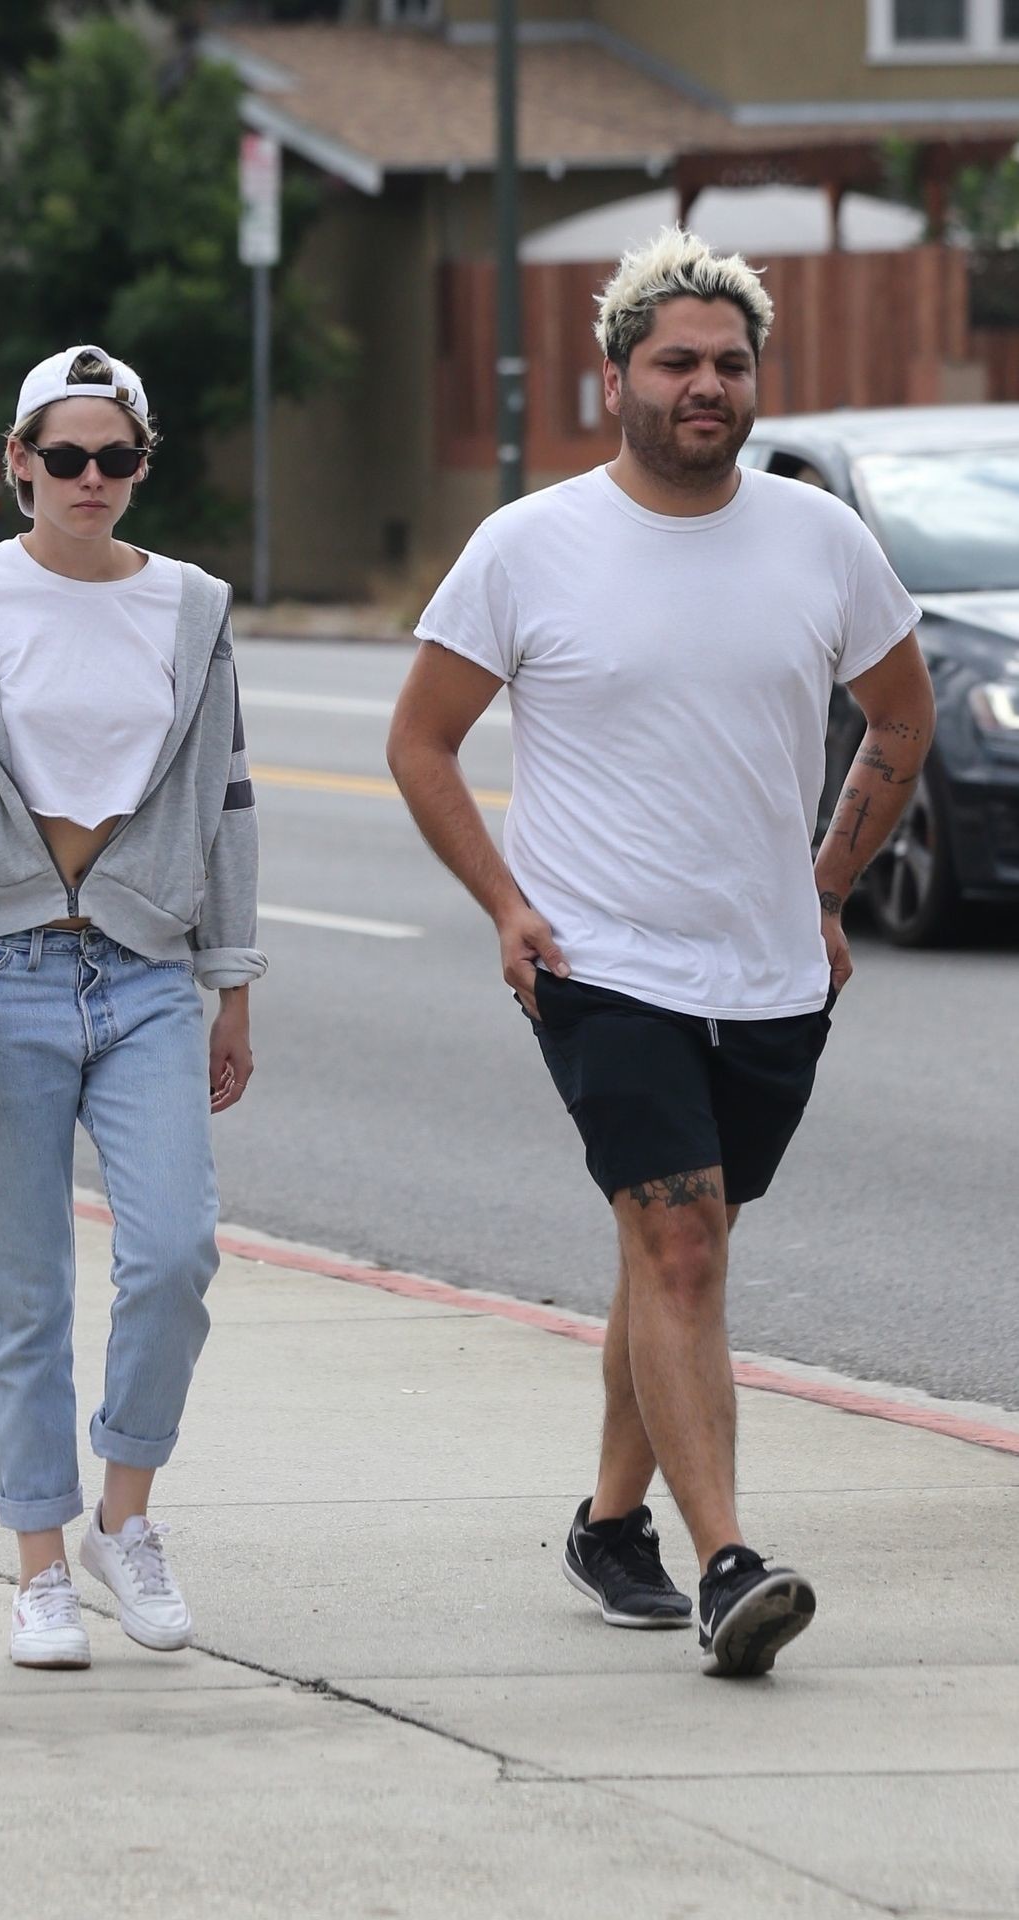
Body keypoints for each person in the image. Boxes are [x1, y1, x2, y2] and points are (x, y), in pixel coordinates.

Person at [387, 230, 934, 1678]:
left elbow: (901, 717)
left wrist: (828, 889)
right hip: (600, 961)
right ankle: (729, 1564)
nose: (707, 385)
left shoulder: (821, 540)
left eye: (731, 365)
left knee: (677, 1248)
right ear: (615, 373)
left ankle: (610, 1522)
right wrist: (507, 905)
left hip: (769, 972)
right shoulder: (529, 545)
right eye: (678, 361)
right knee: (681, 1245)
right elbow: (422, 741)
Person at [0, 344, 265, 1669]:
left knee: (175, 1255)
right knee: (25, 1292)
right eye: (66, 457)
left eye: (117, 458)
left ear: (142, 466)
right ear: (18, 465)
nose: (91, 479)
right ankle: (39, 1566)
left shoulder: (193, 608)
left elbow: (226, 801)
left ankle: (124, 1518)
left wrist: (232, 983)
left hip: (146, 971)